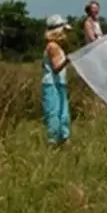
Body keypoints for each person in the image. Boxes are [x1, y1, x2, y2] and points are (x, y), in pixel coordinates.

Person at [42, 14, 72, 146]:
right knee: (54, 113)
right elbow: (56, 68)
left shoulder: (56, 46)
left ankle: (63, 138)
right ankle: (53, 140)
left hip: (58, 83)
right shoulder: (53, 46)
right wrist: (67, 60)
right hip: (52, 83)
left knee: (63, 112)